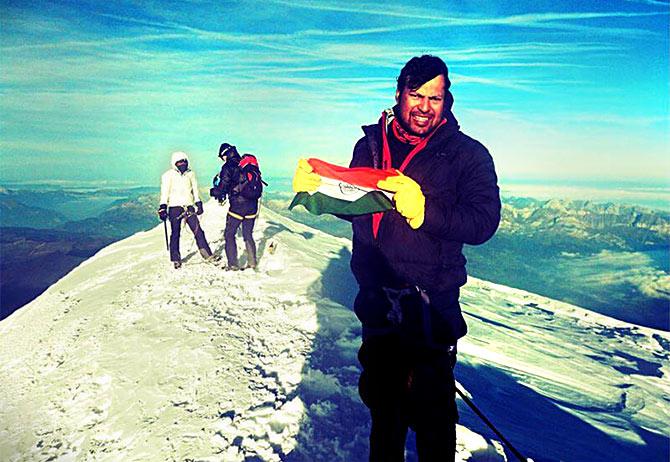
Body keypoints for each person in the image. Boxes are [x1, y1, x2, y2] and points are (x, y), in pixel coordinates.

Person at [293, 55, 501, 461]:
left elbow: (483, 222)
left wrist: (426, 212)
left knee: (433, 417)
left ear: (448, 100)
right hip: (376, 301)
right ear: (399, 93)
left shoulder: (466, 155)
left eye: (435, 98)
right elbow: (359, 203)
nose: (425, 106)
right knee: (384, 413)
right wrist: (322, 191)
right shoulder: (369, 145)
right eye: (416, 94)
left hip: (430, 306)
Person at [158, 151, 218, 269]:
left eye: (184, 161)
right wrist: (163, 206)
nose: (182, 164)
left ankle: (207, 254)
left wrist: (198, 203)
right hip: (174, 207)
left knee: (198, 231)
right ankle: (175, 258)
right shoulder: (168, 175)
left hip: (189, 206)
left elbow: (195, 189)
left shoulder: (191, 174)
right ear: (174, 163)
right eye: (180, 162)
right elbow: (165, 192)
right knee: (175, 233)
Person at [211, 143, 261, 270]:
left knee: (229, 234)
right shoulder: (246, 163)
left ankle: (233, 264)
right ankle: (252, 262)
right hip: (253, 204)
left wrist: (213, 191)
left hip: (238, 206)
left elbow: (223, 188)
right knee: (248, 234)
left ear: (225, 155)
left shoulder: (228, 167)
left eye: (221, 157)